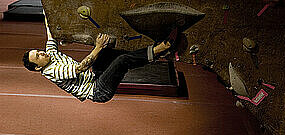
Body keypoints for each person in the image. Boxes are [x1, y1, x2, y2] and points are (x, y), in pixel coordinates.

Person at [22, 15, 174, 103]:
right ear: (37, 67)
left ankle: (151, 51)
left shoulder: (50, 55)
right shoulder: (52, 71)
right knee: (122, 60)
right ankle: (158, 50)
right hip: (98, 90)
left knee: (108, 52)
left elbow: (50, 33)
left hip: (95, 75)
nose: (42, 53)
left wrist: (47, 12)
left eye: (39, 51)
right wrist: (98, 46)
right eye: (38, 56)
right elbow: (80, 67)